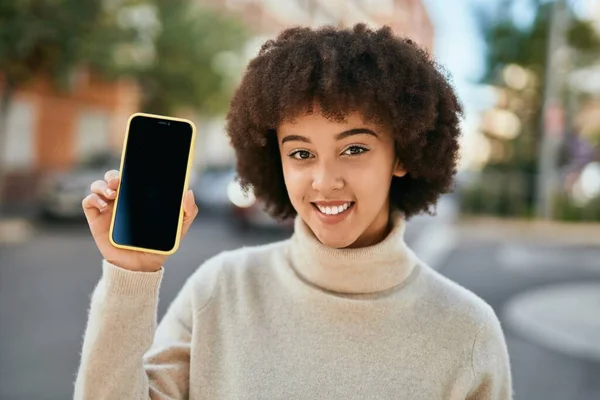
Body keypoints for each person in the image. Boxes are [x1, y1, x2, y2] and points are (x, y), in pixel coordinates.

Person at [75, 24, 513, 399]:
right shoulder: (220, 289)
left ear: (402, 155)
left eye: (354, 148)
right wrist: (129, 275)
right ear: (275, 160)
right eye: (301, 154)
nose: (325, 180)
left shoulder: (466, 331)